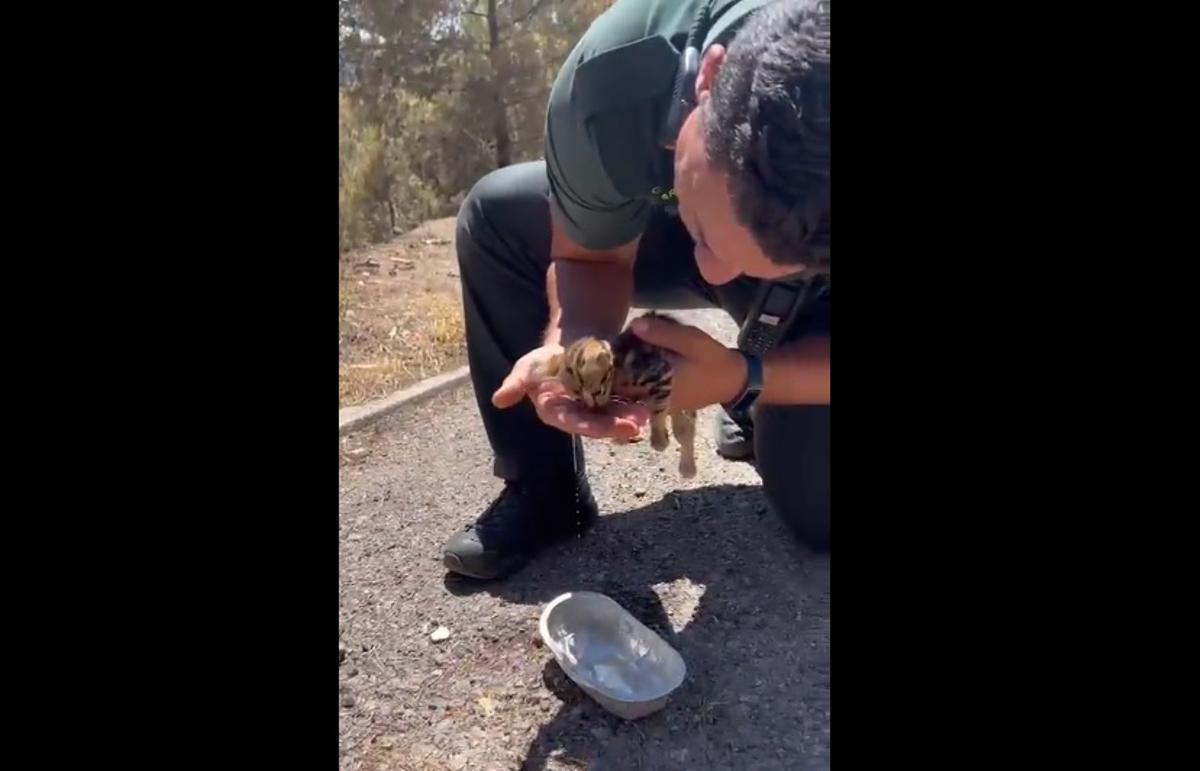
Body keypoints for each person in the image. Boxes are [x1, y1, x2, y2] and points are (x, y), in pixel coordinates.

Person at [442, 0, 831, 580]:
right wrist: (576, 349)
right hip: (655, 216)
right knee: (498, 213)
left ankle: (752, 403)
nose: (718, 275)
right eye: (709, 233)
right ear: (709, 77)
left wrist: (747, 374)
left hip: (807, 286)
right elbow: (586, 256)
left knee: (819, 513)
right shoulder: (614, 77)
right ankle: (545, 492)